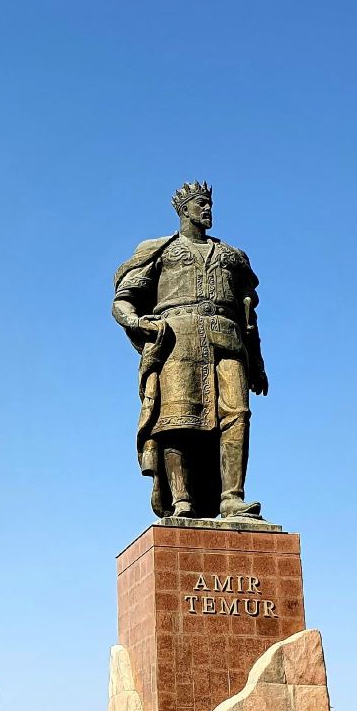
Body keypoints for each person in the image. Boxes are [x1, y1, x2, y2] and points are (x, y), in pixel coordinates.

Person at [111, 182, 268, 520]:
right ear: (184, 210)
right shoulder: (161, 251)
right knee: (176, 419)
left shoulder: (232, 256)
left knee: (238, 414)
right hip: (176, 339)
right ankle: (182, 499)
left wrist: (257, 361)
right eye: (201, 204)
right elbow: (123, 300)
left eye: (210, 204)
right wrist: (138, 322)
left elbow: (249, 316)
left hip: (227, 338)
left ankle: (232, 498)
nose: (207, 209)